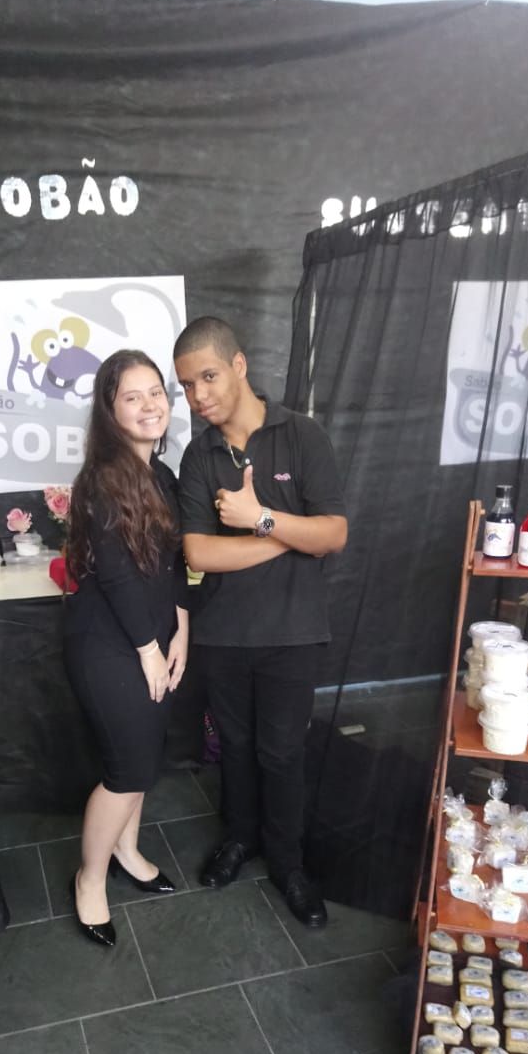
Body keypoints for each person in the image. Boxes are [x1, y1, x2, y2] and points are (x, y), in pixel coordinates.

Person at [175, 317, 347, 928]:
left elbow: (334, 533)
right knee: (236, 747)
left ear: (239, 365)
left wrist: (260, 518)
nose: (198, 396)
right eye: (187, 386)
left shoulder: (302, 435)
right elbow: (199, 553)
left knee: (281, 750)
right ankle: (240, 837)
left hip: (293, 632)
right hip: (222, 633)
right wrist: (282, 537)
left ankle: (288, 863)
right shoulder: (199, 454)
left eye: (208, 377)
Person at [63, 349, 189, 947]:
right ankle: (89, 879)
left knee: (143, 760)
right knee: (126, 769)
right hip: (110, 645)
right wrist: (147, 649)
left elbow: (176, 564)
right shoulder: (102, 480)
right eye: (132, 397)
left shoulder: (161, 475)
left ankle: (128, 851)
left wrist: (181, 629)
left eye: (155, 392)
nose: (149, 405)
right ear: (110, 410)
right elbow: (115, 574)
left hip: (156, 637)